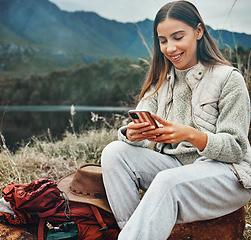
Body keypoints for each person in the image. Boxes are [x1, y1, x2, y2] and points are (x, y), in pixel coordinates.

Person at [101, 1, 251, 239]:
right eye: (163, 40)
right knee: (113, 153)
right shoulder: (160, 81)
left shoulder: (228, 78)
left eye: (177, 37)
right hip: (177, 168)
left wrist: (191, 135)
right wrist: (133, 134)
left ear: (198, 32)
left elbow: (236, 148)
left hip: (228, 175)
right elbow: (137, 139)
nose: (170, 48)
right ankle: (133, 232)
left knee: (167, 182)